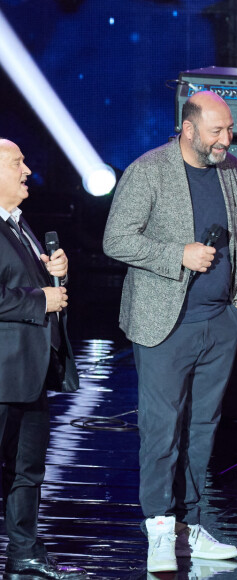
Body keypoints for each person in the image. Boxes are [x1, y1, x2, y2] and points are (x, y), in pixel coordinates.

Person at [103, 91, 237, 573]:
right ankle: (160, 529)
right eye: (216, 131)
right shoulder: (148, 169)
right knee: (162, 430)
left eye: (228, 130)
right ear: (188, 129)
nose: (225, 140)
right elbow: (115, 239)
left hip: (219, 322)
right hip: (165, 324)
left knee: (203, 428)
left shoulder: (229, 169)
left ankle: (189, 524)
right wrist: (177, 256)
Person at [0, 138, 84, 578]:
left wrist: (57, 273)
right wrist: (40, 299)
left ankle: (24, 554)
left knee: (27, 469)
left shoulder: (19, 223)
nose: (27, 170)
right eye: (17, 162)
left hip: (30, 372)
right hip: (2, 371)